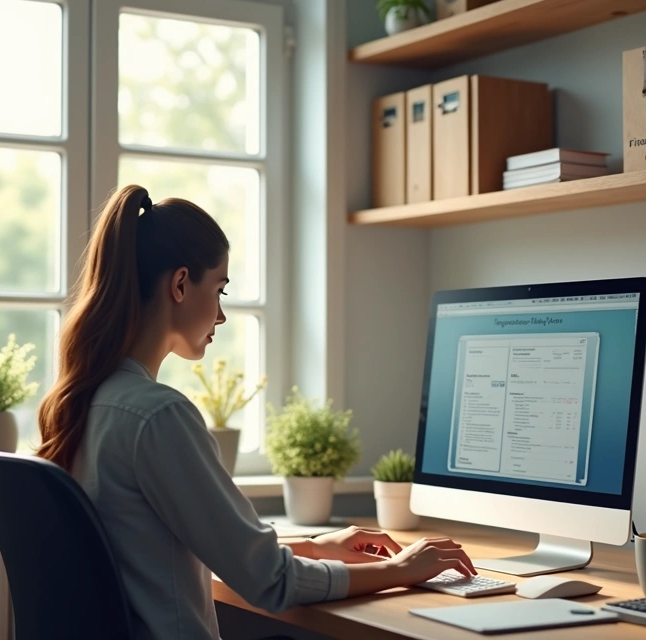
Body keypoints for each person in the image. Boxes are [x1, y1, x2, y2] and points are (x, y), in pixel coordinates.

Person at [36, 185, 476, 639]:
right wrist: (404, 569)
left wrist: (314, 545)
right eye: (219, 290)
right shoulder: (157, 417)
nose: (222, 315)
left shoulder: (89, 403)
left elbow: (164, 545)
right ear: (181, 284)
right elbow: (272, 583)